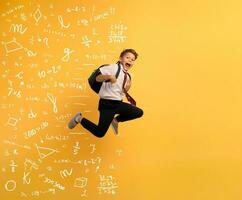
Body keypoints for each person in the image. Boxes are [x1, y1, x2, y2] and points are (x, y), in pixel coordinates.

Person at [67, 48, 144, 138]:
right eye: (128, 58)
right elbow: (97, 78)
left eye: (132, 60)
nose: (130, 60)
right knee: (100, 133)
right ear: (120, 59)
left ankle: (115, 120)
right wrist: (109, 77)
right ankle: (79, 118)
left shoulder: (127, 75)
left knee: (138, 112)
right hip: (107, 105)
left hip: (118, 104)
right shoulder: (113, 68)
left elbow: (121, 91)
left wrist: (128, 86)